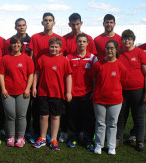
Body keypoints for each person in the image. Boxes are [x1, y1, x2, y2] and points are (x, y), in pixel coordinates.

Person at [59, 12, 97, 143]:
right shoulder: (65, 41)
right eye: (73, 24)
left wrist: (94, 89)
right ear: (69, 24)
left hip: (86, 90)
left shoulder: (90, 42)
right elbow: (64, 64)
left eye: (77, 24)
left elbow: (94, 68)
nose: (75, 26)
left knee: (87, 115)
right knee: (71, 114)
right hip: (72, 89)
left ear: (81, 23)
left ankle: (86, 136)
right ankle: (70, 134)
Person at [29, 12, 66, 143]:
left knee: (55, 113)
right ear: (42, 22)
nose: (48, 22)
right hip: (39, 78)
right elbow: (32, 57)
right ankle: (39, 134)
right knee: (40, 111)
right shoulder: (35, 37)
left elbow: (60, 61)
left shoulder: (59, 39)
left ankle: (53, 136)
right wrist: (33, 83)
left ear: (54, 23)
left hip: (54, 83)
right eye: (45, 20)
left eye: (50, 20)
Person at [32, 37, 72, 151]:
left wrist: (68, 92)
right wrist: (34, 87)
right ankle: (43, 138)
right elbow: (36, 73)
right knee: (43, 116)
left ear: (60, 48)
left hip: (57, 93)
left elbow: (68, 76)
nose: (54, 49)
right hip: (43, 92)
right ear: (48, 47)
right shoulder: (43, 58)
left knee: (55, 116)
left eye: (56, 47)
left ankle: (54, 139)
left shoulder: (64, 60)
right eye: (52, 46)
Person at [116, 29, 146, 152]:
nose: (127, 41)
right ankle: (118, 138)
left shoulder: (140, 53)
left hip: (137, 90)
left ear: (133, 40)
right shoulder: (119, 53)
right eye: (125, 38)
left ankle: (140, 141)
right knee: (121, 115)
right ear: (121, 40)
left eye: (129, 39)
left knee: (139, 116)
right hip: (121, 90)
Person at [0, 35, 34, 147]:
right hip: (8, 92)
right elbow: (1, 75)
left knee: (21, 116)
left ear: (22, 45)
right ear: (11, 45)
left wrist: (28, 89)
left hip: (22, 92)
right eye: (14, 43)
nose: (16, 45)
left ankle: (21, 137)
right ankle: (11, 136)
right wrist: (3, 89)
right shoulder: (5, 58)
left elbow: (31, 75)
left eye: (18, 43)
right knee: (10, 115)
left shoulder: (27, 58)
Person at [92, 40, 127, 155]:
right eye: (108, 48)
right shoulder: (98, 64)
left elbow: (123, 81)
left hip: (115, 100)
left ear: (116, 50)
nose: (109, 50)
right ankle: (99, 145)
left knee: (112, 123)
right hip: (99, 99)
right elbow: (94, 80)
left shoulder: (120, 66)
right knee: (100, 123)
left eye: (112, 48)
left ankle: (111, 146)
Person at [65, 33, 97, 150]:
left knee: (88, 118)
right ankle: (73, 138)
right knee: (73, 117)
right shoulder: (69, 57)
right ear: (76, 42)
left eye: (84, 41)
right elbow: (66, 76)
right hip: (73, 93)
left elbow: (95, 77)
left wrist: (93, 92)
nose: (81, 43)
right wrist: (68, 92)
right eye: (79, 41)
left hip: (87, 93)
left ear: (88, 43)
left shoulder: (93, 58)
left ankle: (88, 140)